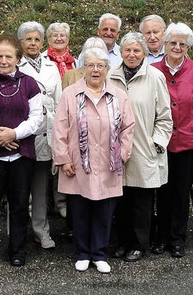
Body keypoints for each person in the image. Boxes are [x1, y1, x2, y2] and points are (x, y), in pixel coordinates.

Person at [52, 47, 135, 274]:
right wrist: (63, 158)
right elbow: (59, 128)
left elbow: (128, 127)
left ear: (108, 69)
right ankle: (82, 253)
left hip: (109, 163)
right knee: (79, 210)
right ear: (83, 69)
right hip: (77, 163)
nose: (96, 70)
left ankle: (99, 254)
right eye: (91, 65)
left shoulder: (119, 95)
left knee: (104, 211)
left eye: (101, 65)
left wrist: (123, 153)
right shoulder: (70, 94)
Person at [0, 35, 43, 267]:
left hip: (21, 154)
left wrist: (13, 134)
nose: (4, 60)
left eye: (8, 56)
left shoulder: (29, 83)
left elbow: (36, 118)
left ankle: (17, 250)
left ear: (17, 58)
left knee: (19, 205)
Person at [110, 32, 173, 262]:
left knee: (141, 201)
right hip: (115, 149)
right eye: (127, 50)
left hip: (143, 148)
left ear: (144, 53)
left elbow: (165, 117)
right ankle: (122, 241)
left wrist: (157, 142)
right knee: (120, 200)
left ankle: (138, 244)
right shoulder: (111, 76)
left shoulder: (155, 77)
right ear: (121, 52)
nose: (132, 54)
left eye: (137, 50)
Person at [152, 22, 193, 257]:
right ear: (165, 44)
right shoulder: (154, 69)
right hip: (162, 141)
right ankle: (161, 236)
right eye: (173, 42)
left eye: (182, 44)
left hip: (188, 141)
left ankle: (177, 238)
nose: (177, 47)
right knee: (162, 190)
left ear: (188, 47)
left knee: (181, 190)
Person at [17, 21, 62, 249]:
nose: (33, 43)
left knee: (41, 186)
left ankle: (41, 231)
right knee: (20, 187)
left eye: (36, 39)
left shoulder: (52, 67)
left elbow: (60, 102)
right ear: (21, 42)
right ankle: (18, 231)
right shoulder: (15, 65)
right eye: (28, 39)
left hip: (47, 132)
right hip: (24, 132)